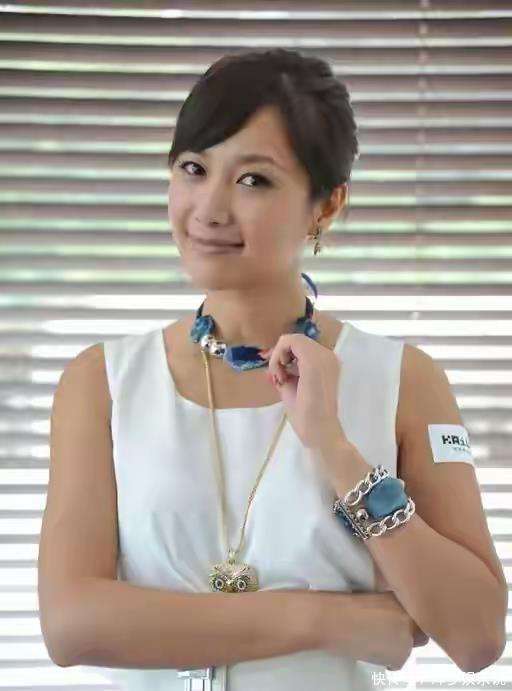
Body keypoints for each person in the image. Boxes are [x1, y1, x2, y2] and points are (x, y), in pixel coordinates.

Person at [40, 48, 423, 690]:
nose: (209, 209)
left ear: (326, 206)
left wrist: (333, 446)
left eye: (253, 180)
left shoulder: (400, 378)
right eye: (193, 169)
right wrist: (326, 620)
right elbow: (71, 624)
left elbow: (476, 635)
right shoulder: (101, 381)